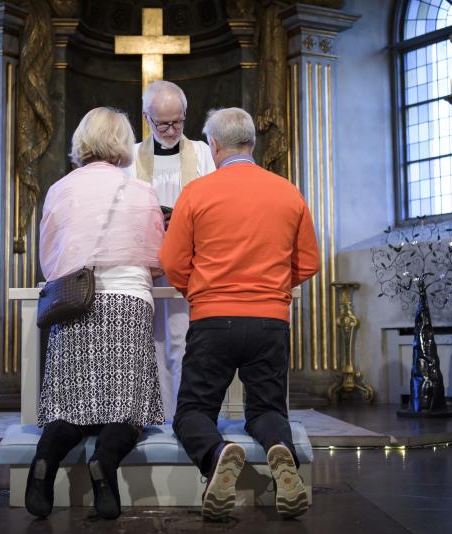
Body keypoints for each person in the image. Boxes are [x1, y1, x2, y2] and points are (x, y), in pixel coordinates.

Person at [159, 107, 320, 520]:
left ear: (214, 145)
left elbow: (173, 261)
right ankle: (280, 452)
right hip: (270, 321)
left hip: (213, 320)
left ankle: (217, 454)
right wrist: (274, 290)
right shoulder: (288, 191)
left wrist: (201, 292)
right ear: (252, 142)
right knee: (267, 410)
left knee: (192, 411)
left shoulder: (196, 193)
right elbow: (309, 262)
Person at [26, 107, 165, 520]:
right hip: (127, 300)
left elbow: (49, 258)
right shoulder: (140, 191)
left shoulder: (59, 189)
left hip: (74, 301)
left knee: (71, 407)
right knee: (128, 409)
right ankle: (104, 462)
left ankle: (45, 462)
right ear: (123, 143)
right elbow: (158, 257)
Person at [129, 80, 216, 420]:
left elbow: (212, 205)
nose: (170, 130)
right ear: (146, 117)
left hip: (188, 263)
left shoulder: (203, 154)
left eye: (177, 122)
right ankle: (156, 417)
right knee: (151, 343)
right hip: (144, 262)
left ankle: (184, 418)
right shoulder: (132, 156)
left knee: (181, 341)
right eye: (162, 123)